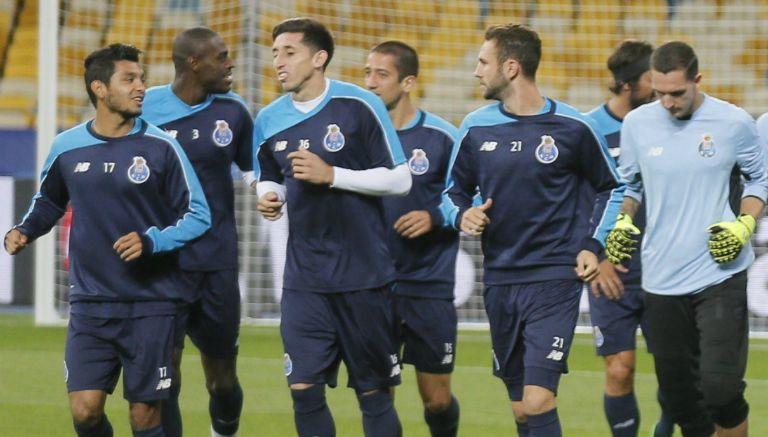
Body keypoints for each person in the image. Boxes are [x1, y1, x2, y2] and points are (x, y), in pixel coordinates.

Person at [3, 43, 210, 437]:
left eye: (142, 79)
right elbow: (49, 200)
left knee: (145, 416)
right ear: (100, 88)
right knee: (85, 411)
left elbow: (199, 214)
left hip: (151, 303)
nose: (141, 87)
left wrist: (152, 242)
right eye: (129, 79)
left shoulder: (163, 146)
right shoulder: (67, 146)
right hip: (90, 303)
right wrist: (24, 230)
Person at [443, 24, 625, 437]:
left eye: (483, 62)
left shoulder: (573, 127)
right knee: (523, 409)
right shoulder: (474, 127)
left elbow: (612, 188)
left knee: (540, 398)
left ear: (511, 67)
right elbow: (451, 193)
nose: (476, 72)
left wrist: (592, 245)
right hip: (502, 279)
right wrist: (462, 216)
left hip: (554, 277)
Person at [254, 18, 411, 437]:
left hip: (364, 276)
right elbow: (267, 173)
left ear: (319, 58)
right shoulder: (269, 119)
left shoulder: (359, 105)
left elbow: (400, 179)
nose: (278, 62)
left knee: (374, 393)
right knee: (303, 389)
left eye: (289, 52)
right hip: (304, 279)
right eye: (274, 53)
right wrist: (268, 197)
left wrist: (334, 175)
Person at [606, 41, 768, 437]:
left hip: (720, 274)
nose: (667, 102)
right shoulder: (638, 125)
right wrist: (623, 222)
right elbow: (631, 186)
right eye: (659, 92)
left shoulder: (733, 123)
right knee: (679, 398)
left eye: (676, 93)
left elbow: (759, 179)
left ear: (697, 80)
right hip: (660, 277)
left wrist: (744, 225)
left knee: (720, 389)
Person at [142, 27, 252, 437]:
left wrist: (267, 191)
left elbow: (254, 170)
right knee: (163, 376)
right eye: (221, 56)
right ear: (193, 62)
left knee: (221, 378)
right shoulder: (145, 108)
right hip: (161, 265)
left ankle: (223, 431)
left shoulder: (234, 111)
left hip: (215, 262)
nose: (230, 63)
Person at [364, 41, 461, 437]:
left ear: (408, 82)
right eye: (367, 73)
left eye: (381, 75)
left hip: (427, 285)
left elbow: (469, 200)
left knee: (436, 400)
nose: (370, 83)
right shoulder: (356, 138)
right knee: (377, 396)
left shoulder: (443, 137)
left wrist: (435, 216)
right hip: (371, 285)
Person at [584, 39, 674, 437]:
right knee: (619, 369)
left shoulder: (668, 123)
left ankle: (666, 428)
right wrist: (596, 256)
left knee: (675, 369)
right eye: (649, 81)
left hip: (666, 267)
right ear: (625, 85)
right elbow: (575, 202)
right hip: (613, 270)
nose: (658, 90)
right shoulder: (588, 130)